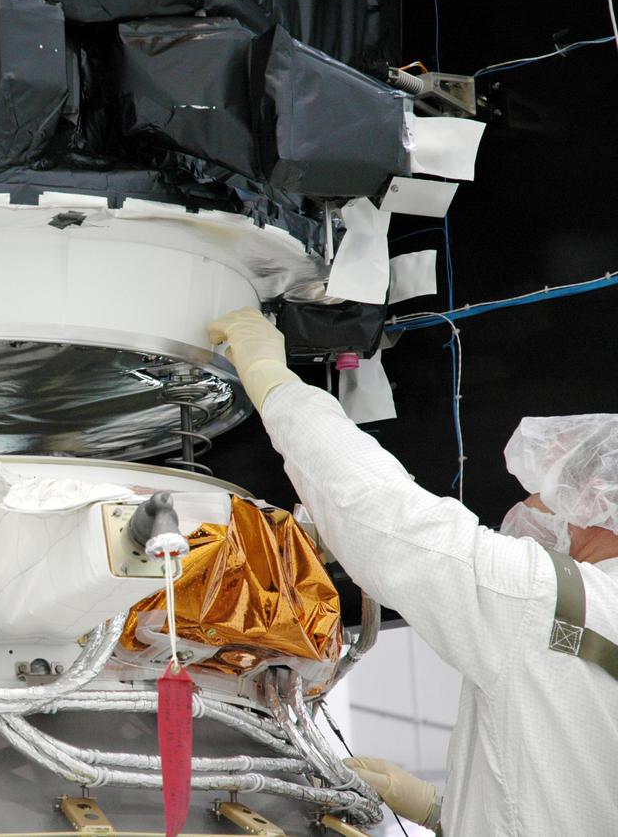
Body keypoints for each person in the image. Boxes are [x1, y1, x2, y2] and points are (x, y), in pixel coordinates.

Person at [207, 308, 618, 836]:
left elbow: (386, 515)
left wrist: (276, 384)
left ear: (596, 507)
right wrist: (437, 809)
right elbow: (572, 799)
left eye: (544, 494)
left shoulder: (561, 604)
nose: (529, 512)